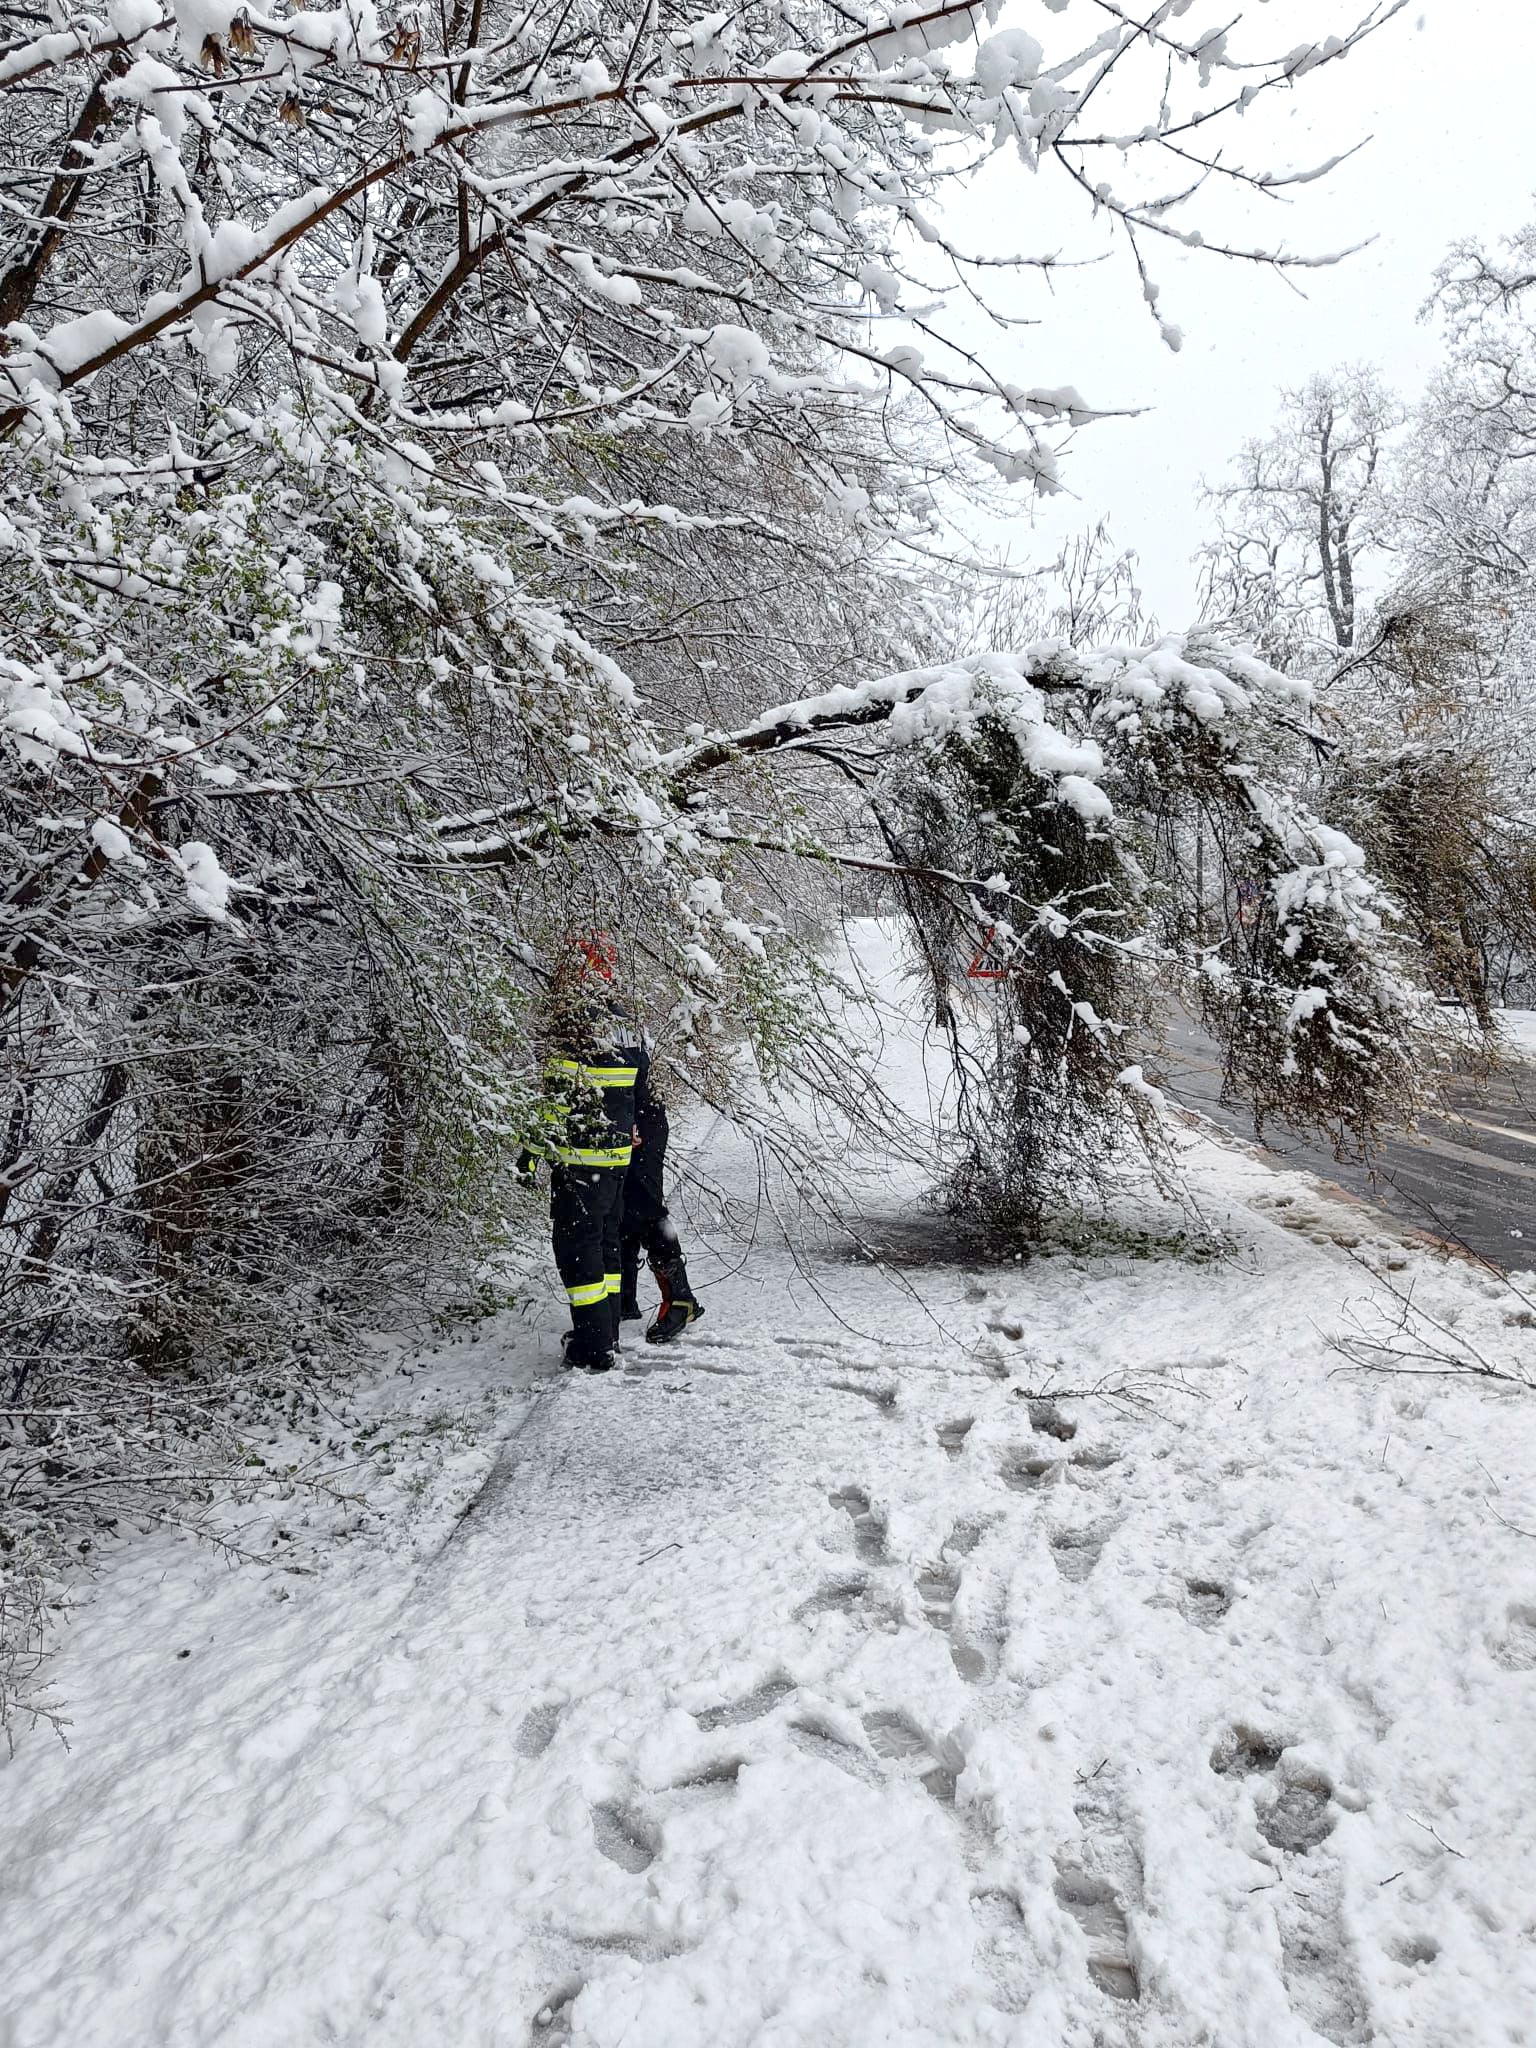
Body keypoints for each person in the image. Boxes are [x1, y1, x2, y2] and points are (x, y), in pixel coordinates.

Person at [517, 934, 645, 1373]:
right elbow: (640, 1083)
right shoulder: (625, 1020)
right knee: (607, 1242)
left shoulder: (574, 1024)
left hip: (580, 1159)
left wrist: (531, 1151)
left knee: (577, 1246)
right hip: (615, 1159)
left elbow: (557, 1097)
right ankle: (606, 1333)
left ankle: (593, 1347)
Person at [620, 1068, 705, 1345]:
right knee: (620, 1207)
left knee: (644, 1207)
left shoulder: (616, 1027)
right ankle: (622, 1300)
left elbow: (631, 1064)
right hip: (632, 1112)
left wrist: (630, 1119)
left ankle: (680, 1301)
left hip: (640, 1117)